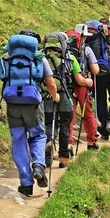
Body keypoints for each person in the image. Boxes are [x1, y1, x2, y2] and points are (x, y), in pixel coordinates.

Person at [0, 30, 59, 197]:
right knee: (38, 136)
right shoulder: (39, 58)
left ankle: (26, 184)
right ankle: (39, 167)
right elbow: (50, 82)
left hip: (12, 104)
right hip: (33, 105)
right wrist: (55, 96)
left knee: (19, 140)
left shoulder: (5, 58)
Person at [42, 32, 93, 169]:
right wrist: (88, 82)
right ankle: (63, 159)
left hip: (47, 95)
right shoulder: (69, 58)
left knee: (48, 124)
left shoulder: (42, 58)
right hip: (65, 96)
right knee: (65, 126)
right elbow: (79, 80)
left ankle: (50, 143)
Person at [67, 24, 100, 151]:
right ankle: (91, 141)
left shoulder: (65, 50)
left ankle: (68, 143)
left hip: (68, 85)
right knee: (87, 113)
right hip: (82, 85)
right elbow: (95, 70)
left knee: (70, 114)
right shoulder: (87, 50)